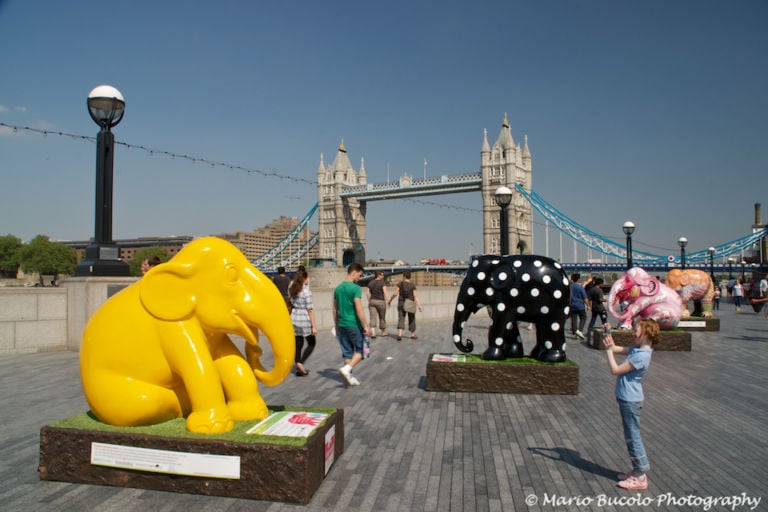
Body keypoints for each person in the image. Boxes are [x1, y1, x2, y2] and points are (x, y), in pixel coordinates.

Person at [602, 319, 659, 491]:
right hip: (626, 398)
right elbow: (616, 348)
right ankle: (636, 470)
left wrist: (608, 352)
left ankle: (640, 475)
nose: (633, 332)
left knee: (633, 436)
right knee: (630, 435)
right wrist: (607, 334)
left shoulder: (642, 355)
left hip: (631, 400)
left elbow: (615, 370)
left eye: (637, 330)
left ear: (646, 334)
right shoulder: (638, 349)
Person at [333, 262, 369, 387]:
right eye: (359, 275)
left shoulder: (337, 288)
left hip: (342, 324)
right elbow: (359, 309)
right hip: (353, 324)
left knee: (347, 352)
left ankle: (349, 377)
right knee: (362, 350)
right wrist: (365, 325)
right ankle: (347, 370)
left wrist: (336, 325)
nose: (360, 278)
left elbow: (334, 309)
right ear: (353, 273)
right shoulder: (355, 288)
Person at [289, 269, 316, 377]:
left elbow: (291, 303)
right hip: (304, 318)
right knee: (311, 343)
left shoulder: (293, 289)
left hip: (294, 318)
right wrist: (314, 326)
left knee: (298, 344)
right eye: (307, 277)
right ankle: (300, 363)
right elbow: (310, 310)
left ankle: (298, 363)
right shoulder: (306, 292)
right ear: (304, 278)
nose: (308, 279)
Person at [388, 270, 422, 341]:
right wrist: (419, 305)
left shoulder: (400, 283)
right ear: (409, 277)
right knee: (412, 318)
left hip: (401, 302)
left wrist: (390, 300)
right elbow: (415, 296)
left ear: (404, 276)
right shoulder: (412, 285)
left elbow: (395, 294)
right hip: (410, 303)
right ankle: (412, 334)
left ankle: (399, 335)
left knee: (401, 318)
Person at [367, 270, 389, 338]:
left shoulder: (370, 282)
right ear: (378, 275)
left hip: (372, 301)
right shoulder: (382, 282)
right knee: (382, 317)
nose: (383, 276)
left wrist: (369, 301)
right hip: (381, 302)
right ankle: (383, 332)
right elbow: (385, 293)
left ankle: (373, 333)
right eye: (382, 275)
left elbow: (367, 293)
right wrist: (388, 301)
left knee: (372, 317)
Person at [569, 272, 588, 340]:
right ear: (579, 279)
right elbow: (585, 298)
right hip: (580, 306)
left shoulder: (569, 287)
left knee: (574, 319)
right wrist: (588, 305)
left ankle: (575, 332)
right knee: (583, 317)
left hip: (572, 305)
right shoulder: (580, 287)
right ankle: (580, 331)